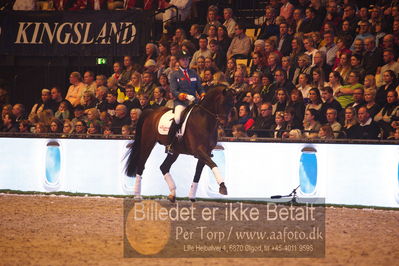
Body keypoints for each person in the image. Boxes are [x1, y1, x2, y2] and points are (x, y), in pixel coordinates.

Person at [167, 52, 205, 154]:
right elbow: (174, 90)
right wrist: (185, 96)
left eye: (187, 59)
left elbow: (200, 88)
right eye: (183, 60)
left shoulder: (193, 73)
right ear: (179, 61)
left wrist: (203, 95)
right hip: (181, 102)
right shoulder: (174, 74)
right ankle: (170, 143)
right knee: (178, 118)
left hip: (193, 102)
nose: (185, 61)